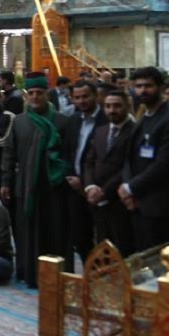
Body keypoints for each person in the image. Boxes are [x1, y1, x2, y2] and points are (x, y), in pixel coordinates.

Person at [0, 71, 73, 288]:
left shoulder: (62, 122)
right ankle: (30, 272)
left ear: (47, 94)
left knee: (56, 229)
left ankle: (57, 275)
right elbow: (8, 153)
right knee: (28, 231)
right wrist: (5, 182)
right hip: (26, 185)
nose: (34, 97)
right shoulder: (20, 122)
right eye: (30, 93)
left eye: (39, 93)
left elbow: (69, 154)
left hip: (54, 187)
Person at [119, 67, 169, 252]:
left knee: (160, 264)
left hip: (162, 205)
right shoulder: (145, 117)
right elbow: (131, 156)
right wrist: (129, 189)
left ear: (160, 88)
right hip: (139, 201)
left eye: (148, 86)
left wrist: (131, 187)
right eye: (138, 86)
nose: (143, 90)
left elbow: (165, 164)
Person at [81, 88, 135, 255]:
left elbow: (130, 165)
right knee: (102, 248)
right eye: (108, 106)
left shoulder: (136, 131)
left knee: (123, 248)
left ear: (127, 106)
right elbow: (89, 161)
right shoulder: (101, 131)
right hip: (97, 201)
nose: (112, 110)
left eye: (117, 106)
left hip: (120, 201)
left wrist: (104, 191)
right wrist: (90, 186)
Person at [62, 80, 106, 260]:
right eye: (77, 98)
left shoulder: (107, 119)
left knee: (105, 238)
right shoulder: (73, 120)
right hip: (75, 188)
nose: (82, 101)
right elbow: (67, 151)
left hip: (101, 188)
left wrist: (90, 183)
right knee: (79, 236)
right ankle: (91, 272)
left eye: (86, 96)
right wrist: (71, 176)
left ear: (96, 96)